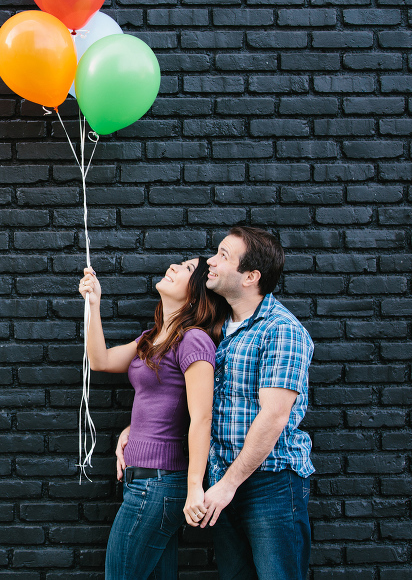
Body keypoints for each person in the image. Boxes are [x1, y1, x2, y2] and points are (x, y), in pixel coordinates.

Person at [80, 257, 230, 579]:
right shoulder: (152, 337)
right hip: (143, 481)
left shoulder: (194, 339)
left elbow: (202, 418)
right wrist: (94, 303)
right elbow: (101, 360)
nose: (175, 265)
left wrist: (194, 489)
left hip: (159, 485)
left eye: (188, 269)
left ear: (195, 296)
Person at [202, 225, 314, 579]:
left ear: (250, 276)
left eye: (223, 255)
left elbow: (275, 415)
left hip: (270, 484)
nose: (211, 261)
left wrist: (227, 486)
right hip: (222, 480)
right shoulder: (219, 328)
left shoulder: (280, 329)